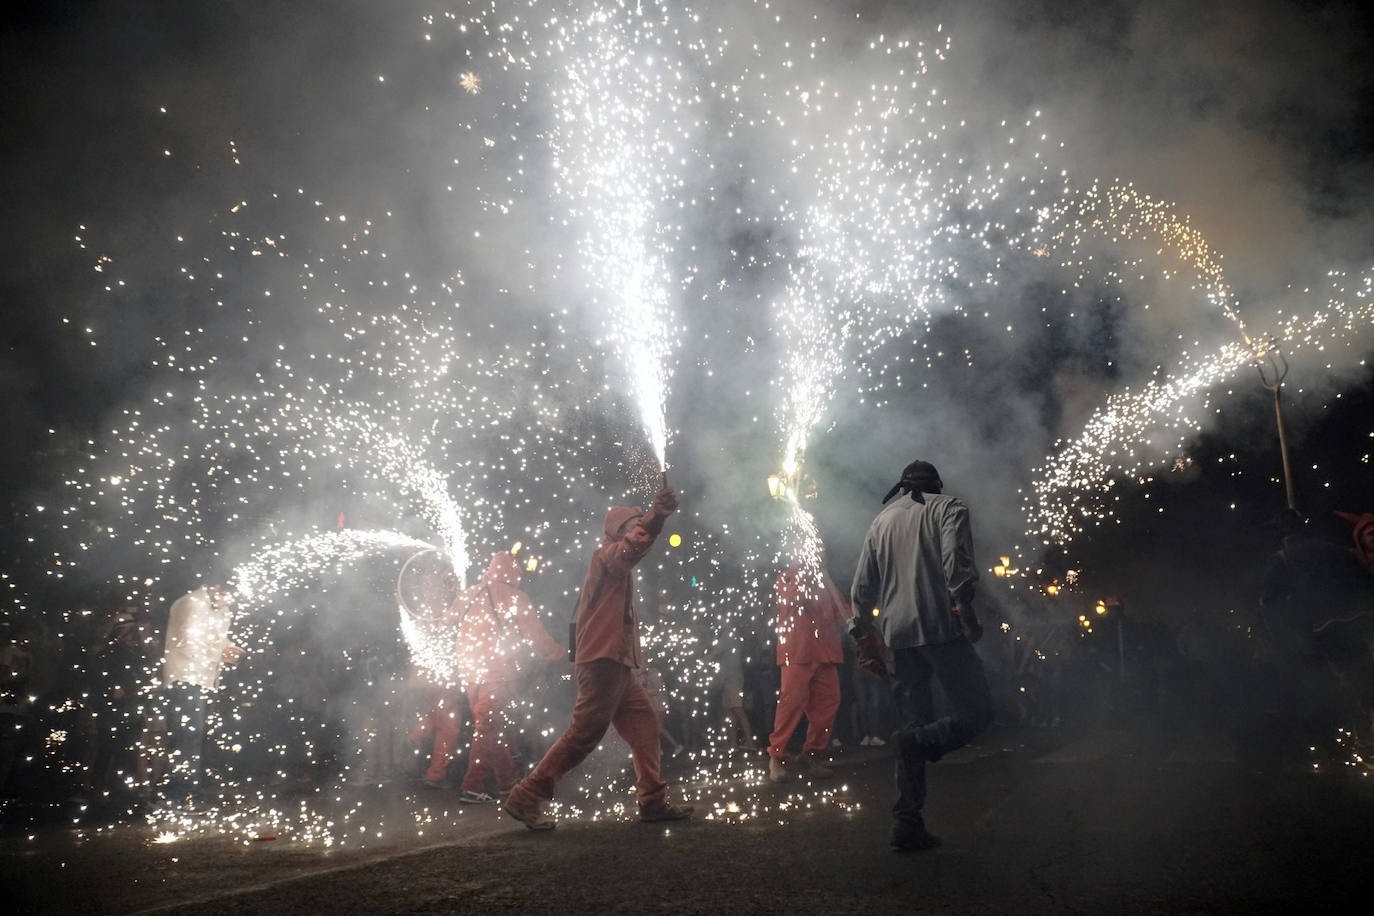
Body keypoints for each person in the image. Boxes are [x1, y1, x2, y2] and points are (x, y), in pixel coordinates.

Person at [503, 485, 694, 829]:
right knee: (583, 736)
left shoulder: (614, 560)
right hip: (604, 661)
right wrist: (656, 517)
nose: (641, 530)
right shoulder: (606, 556)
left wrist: (655, 519)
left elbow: (637, 541)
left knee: (645, 725)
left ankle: (652, 800)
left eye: (642, 524)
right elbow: (634, 545)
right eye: (634, 525)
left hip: (615, 662)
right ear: (619, 533)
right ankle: (526, 795)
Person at [850, 460, 994, 852]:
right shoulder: (949, 508)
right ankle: (925, 743)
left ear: (901, 487)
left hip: (898, 637)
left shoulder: (883, 520)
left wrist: (864, 639)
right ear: (936, 485)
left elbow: (862, 587)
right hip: (939, 630)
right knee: (978, 711)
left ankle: (907, 822)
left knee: (912, 724)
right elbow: (956, 566)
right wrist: (967, 616)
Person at [453, 550, 565, 803]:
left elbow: (443, 622)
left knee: (491, 728)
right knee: (487, 728)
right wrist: (559, 654)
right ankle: (473, 786)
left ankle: (509, 780)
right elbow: (537, 636)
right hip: (497, 674)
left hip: (469, 673)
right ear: (513, 572)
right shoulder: (517, 597)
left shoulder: (468, 594)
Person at [160, 583, 243, 798]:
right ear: (216, 588)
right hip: (185, 679)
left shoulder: (222, 609)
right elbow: (188, 641)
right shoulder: (190, 603)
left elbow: (217, 639)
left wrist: (229, 648)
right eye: (227, 596)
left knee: (196, 737)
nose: (229, 602)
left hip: (205, 681)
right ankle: (180, 792)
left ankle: (188, 789)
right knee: (186, 737)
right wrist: (219, 654)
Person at [767, 560, 847, 782]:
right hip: (798, 651)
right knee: (791, 703)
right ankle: (777, 756)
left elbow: (843, 614)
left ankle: (812, 753)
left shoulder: (825, 581)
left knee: (828, 703)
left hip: (825, 652)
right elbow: (793, 600)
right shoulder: (787, 577)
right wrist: (811, 576)